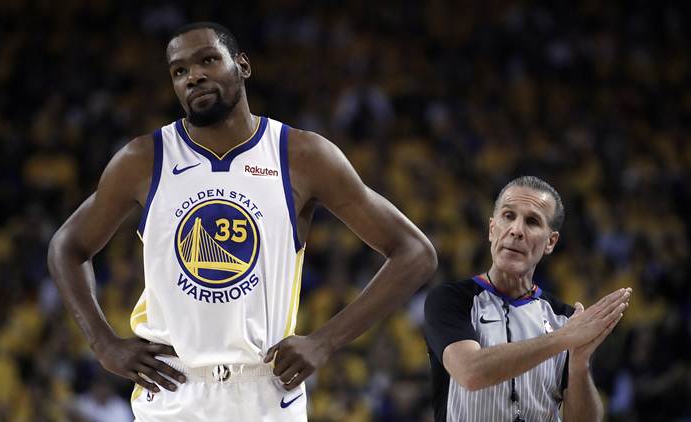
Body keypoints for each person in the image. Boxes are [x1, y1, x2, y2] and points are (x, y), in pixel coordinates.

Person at [47, 21, 437, 421]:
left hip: (267, 388)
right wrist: (103, 344)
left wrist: (325, 341)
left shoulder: (301, 155)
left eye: (208, 60)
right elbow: (67, 247)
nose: (193, 76)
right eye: (179, 71)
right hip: (173, 389)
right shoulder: (143, 159)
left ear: (243, 66)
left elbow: (415, 253)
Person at [423, 176, 631, 422]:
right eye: (508, 216)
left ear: (550, 242)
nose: (516, 230)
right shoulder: (449, 299)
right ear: (492, 229)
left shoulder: (565, 318)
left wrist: (579, 363)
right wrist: (562, 339)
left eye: (532, 221)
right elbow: (470, 372)